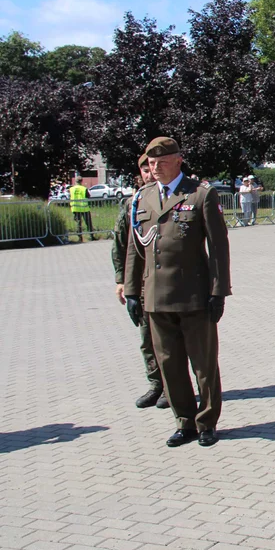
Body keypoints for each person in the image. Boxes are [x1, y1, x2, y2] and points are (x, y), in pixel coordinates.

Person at [124, 137, 231, 448]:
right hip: (156, 297)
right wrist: (132, 292)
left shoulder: (200, 195)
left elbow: (218, 248)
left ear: (179, 160)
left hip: (194, 294)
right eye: (151, 162)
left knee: (203, 363)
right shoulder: (142, 198)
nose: (155, 168)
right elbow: (135, 249)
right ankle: (184, 422)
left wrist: (219, 291)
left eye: (162, 161)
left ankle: (207, 422)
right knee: (169, 364)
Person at [112, 154, 167, 409]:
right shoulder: (132, 203)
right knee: (147, 338)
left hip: (166, 280)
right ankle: (156, 384)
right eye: (145, 169)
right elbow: (122, 245)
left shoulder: (171, 198)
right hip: (142, 281)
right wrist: (122, 280)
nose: (150, 173)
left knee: (170, 337)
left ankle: (172, 386)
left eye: (153, 167)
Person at [69, 176, 94, 242]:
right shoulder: (84, 188)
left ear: (75, 181)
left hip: (75, 208)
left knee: (78, 223)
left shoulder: (71, 189)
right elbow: (88, 196)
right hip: (84, 208)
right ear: (81, 181)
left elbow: (70, 197)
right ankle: (91, 236)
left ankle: (80, 238)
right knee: (88, 223)